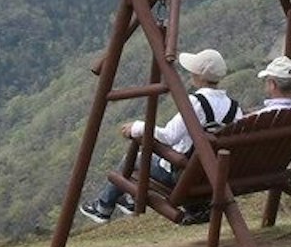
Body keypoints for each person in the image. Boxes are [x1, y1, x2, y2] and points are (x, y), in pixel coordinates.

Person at [78, 47, 238, 221]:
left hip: (183, 175)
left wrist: (137, 127)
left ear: (198, 75)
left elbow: (169, 136)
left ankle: (103, 207)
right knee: (144, 161)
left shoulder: (196, 103)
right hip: (215, 176)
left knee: (133, 160)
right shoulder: (234, 108)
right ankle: (128, 201)